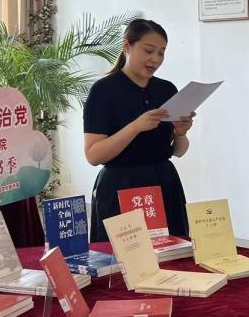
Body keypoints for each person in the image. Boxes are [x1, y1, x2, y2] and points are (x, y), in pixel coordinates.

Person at [83, 19, 195, 242]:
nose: (156, 59)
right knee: (125, 256)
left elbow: (178, 151)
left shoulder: (166, 89)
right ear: (127, 45)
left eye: (161, 53)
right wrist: (135, 127)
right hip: (120, 186)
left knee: (172, 253)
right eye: (148, 50)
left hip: (164, 183)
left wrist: (181, 133)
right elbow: (93, 155)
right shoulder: (104, 91)